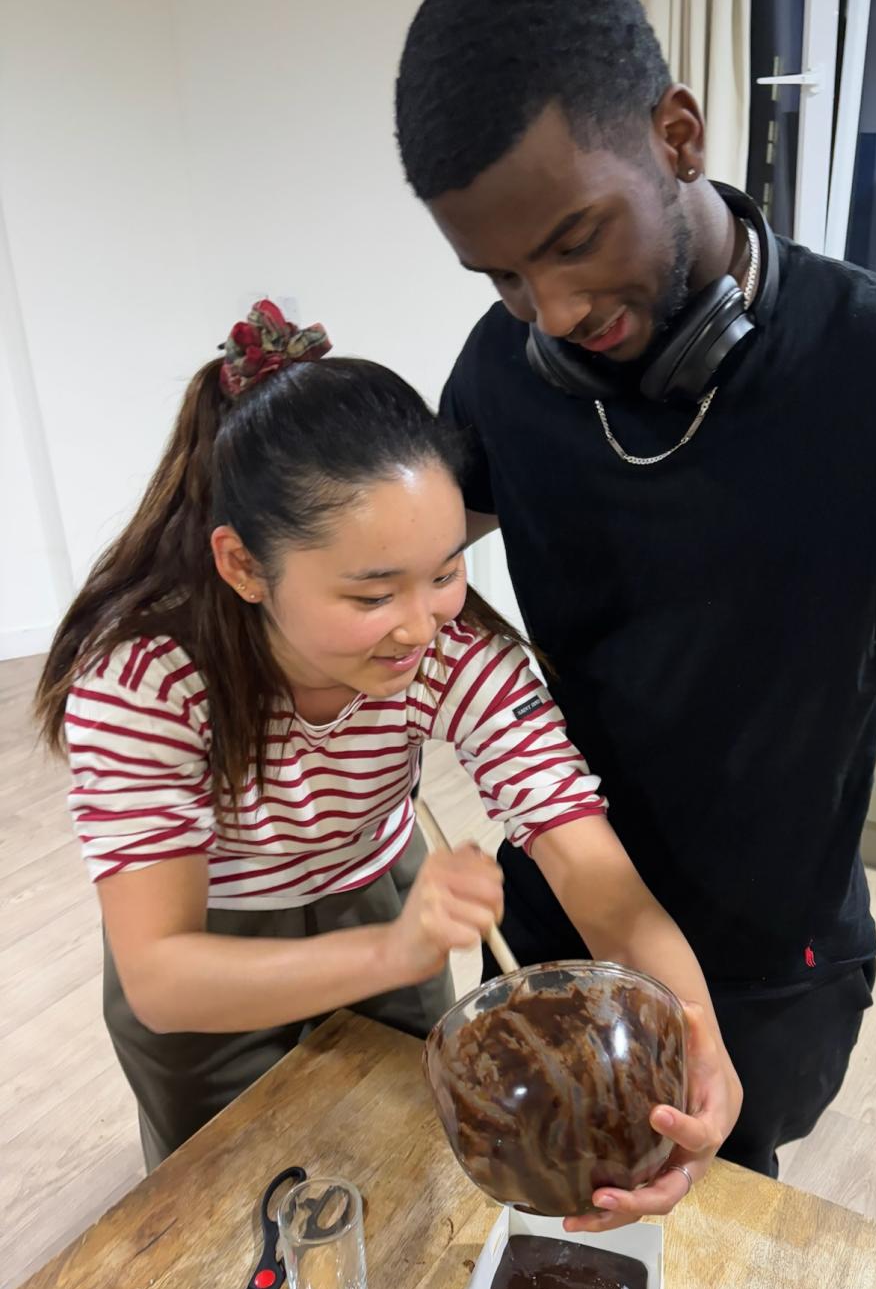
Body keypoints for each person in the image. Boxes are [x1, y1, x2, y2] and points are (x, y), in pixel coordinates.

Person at [395, 0, 876, 1190]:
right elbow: (406, 582)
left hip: (768, 967)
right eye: (501, 277)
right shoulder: (506, 370)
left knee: (714, 1265)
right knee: (539, 1232)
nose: (555, 312)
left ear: (678, 135)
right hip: (557, 932)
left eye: (575, 240)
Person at [35, 301, 741, 1215]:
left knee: (396, 1175)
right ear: (244, 567)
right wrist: (395, 948)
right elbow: (163, 979)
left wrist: (697, 1039)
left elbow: (596, 874)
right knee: (235, 1206)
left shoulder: (450, 653)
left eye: (446, 571)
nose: (421, 625)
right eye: (372, 593)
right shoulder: (148, 679)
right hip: (215, 942)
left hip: (374, 889)